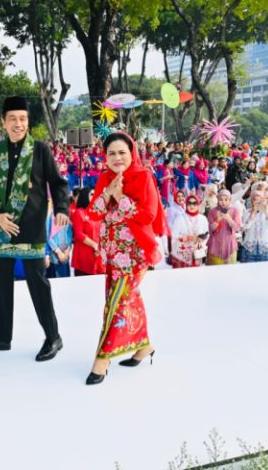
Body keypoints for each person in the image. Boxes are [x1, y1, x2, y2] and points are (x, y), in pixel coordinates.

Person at [0, 96, 69, 362]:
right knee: (1, 285)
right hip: (4, 228)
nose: (18, 123)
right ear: (3, 122)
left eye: (23, 119)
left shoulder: (40, 150)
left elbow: (58, 184)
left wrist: (62, 209)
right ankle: (2, 336)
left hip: (32, 228)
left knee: (38, 284)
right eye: (12, 118)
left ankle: (53, 337)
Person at [84, 132, 166, 385]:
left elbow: (148, 216)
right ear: (105, 157)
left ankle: (102, 360)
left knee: (116, 305)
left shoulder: (143, 177)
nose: (117, 158)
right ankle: (144, 347)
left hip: (135, 256)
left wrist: (121, 198)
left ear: (132, 153)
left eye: (122, 152)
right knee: (125, 301)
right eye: (111, 153)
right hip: (112, 256)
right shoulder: (105, 179)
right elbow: (93, 215)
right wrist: (108, 192)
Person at [70, 187, 104, 276]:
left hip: (97, 256)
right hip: (83, 257)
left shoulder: (98, 213)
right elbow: (78, 234)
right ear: (85, 196)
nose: (95, 197)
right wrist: (94, 245)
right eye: (92, 194)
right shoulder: (79, 212)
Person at [206, 190, 241, 265]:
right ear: (217, 200)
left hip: (230, 244)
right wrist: (218, 219)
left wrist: (229, 219)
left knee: (230, 271)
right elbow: (210, 229)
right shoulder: (212, 211)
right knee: (215, 270)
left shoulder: (235, 210)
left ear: (230, 200)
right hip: (215, 244)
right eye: (221, 199)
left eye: (226, 199)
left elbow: (237, 228)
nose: (223, 202)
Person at [240, 188, 268, 262]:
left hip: (265, 248)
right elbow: (245, 227)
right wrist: (253, 214)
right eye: (255, 200)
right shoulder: (247, 212)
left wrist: (266, 211)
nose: (257, 202)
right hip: (249, 248)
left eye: (260, 200)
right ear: (252, 201)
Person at [45, 201, 73, 278]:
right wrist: (58, 252)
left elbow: (69, 234)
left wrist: (67, 250)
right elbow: (47, 236)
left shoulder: (66, 216)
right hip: (54, 258)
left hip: (65, 257)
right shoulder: (50, 217)